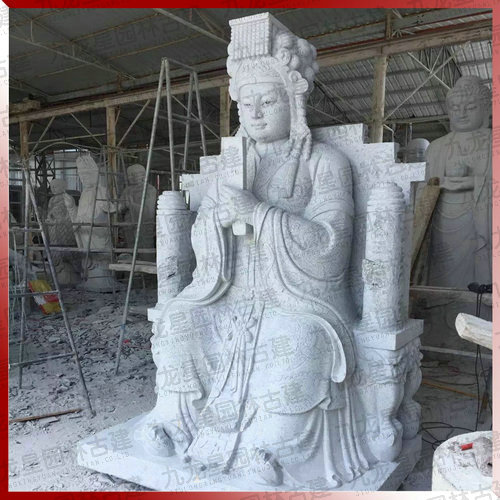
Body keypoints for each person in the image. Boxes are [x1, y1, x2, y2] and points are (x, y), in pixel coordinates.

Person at [139, 18, 368, 488]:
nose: (257, 114)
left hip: (298, 300)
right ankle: (175, 420)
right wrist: (215, 223)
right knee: (181, 320)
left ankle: (274, 444)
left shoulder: (325, 163)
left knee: (298, 338)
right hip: (231, 292)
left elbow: (331, 244)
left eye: (269, 101)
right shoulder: (231, 166)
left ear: (294, 102)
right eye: (247, 104)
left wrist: (260, 214)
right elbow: (204, 242)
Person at [425, 75, 491, 287]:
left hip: (479, 221)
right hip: (442, 220)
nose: (461, 113)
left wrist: (472, 182)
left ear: (486, 109)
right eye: (455, 108)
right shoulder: (436, 147)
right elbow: (426, 189)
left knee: (480, 272)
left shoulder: (494, 142)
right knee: (442, 272)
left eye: (470, 107)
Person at [117, 164, 157, 261]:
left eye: (133, 174)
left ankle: (147, 268)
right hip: (129, 226)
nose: (130, 177)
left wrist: (131, 205)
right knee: (131, 249)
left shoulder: (150, 190)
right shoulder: (127, 190)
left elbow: (148, 211)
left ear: (143, 175)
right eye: (129, 175)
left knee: (145, 250)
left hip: (144, 226)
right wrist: (121, 207)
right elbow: (120, 208)